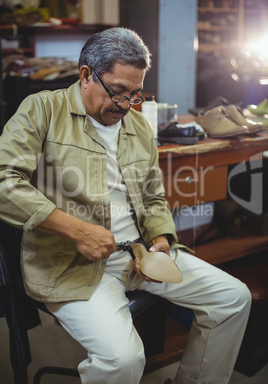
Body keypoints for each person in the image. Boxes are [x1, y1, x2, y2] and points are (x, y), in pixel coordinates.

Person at [0, 27, 251, 384]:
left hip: (139, 253)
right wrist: (77, 229)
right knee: (123, 361)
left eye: (136, 94)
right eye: (118, 92)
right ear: (86, 75)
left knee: (233, 298)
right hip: (71, 263)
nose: (125, 105)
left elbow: (152, 195)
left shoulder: (137, 124)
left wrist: (161, 239)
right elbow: (4, 180)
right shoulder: (43, 110)